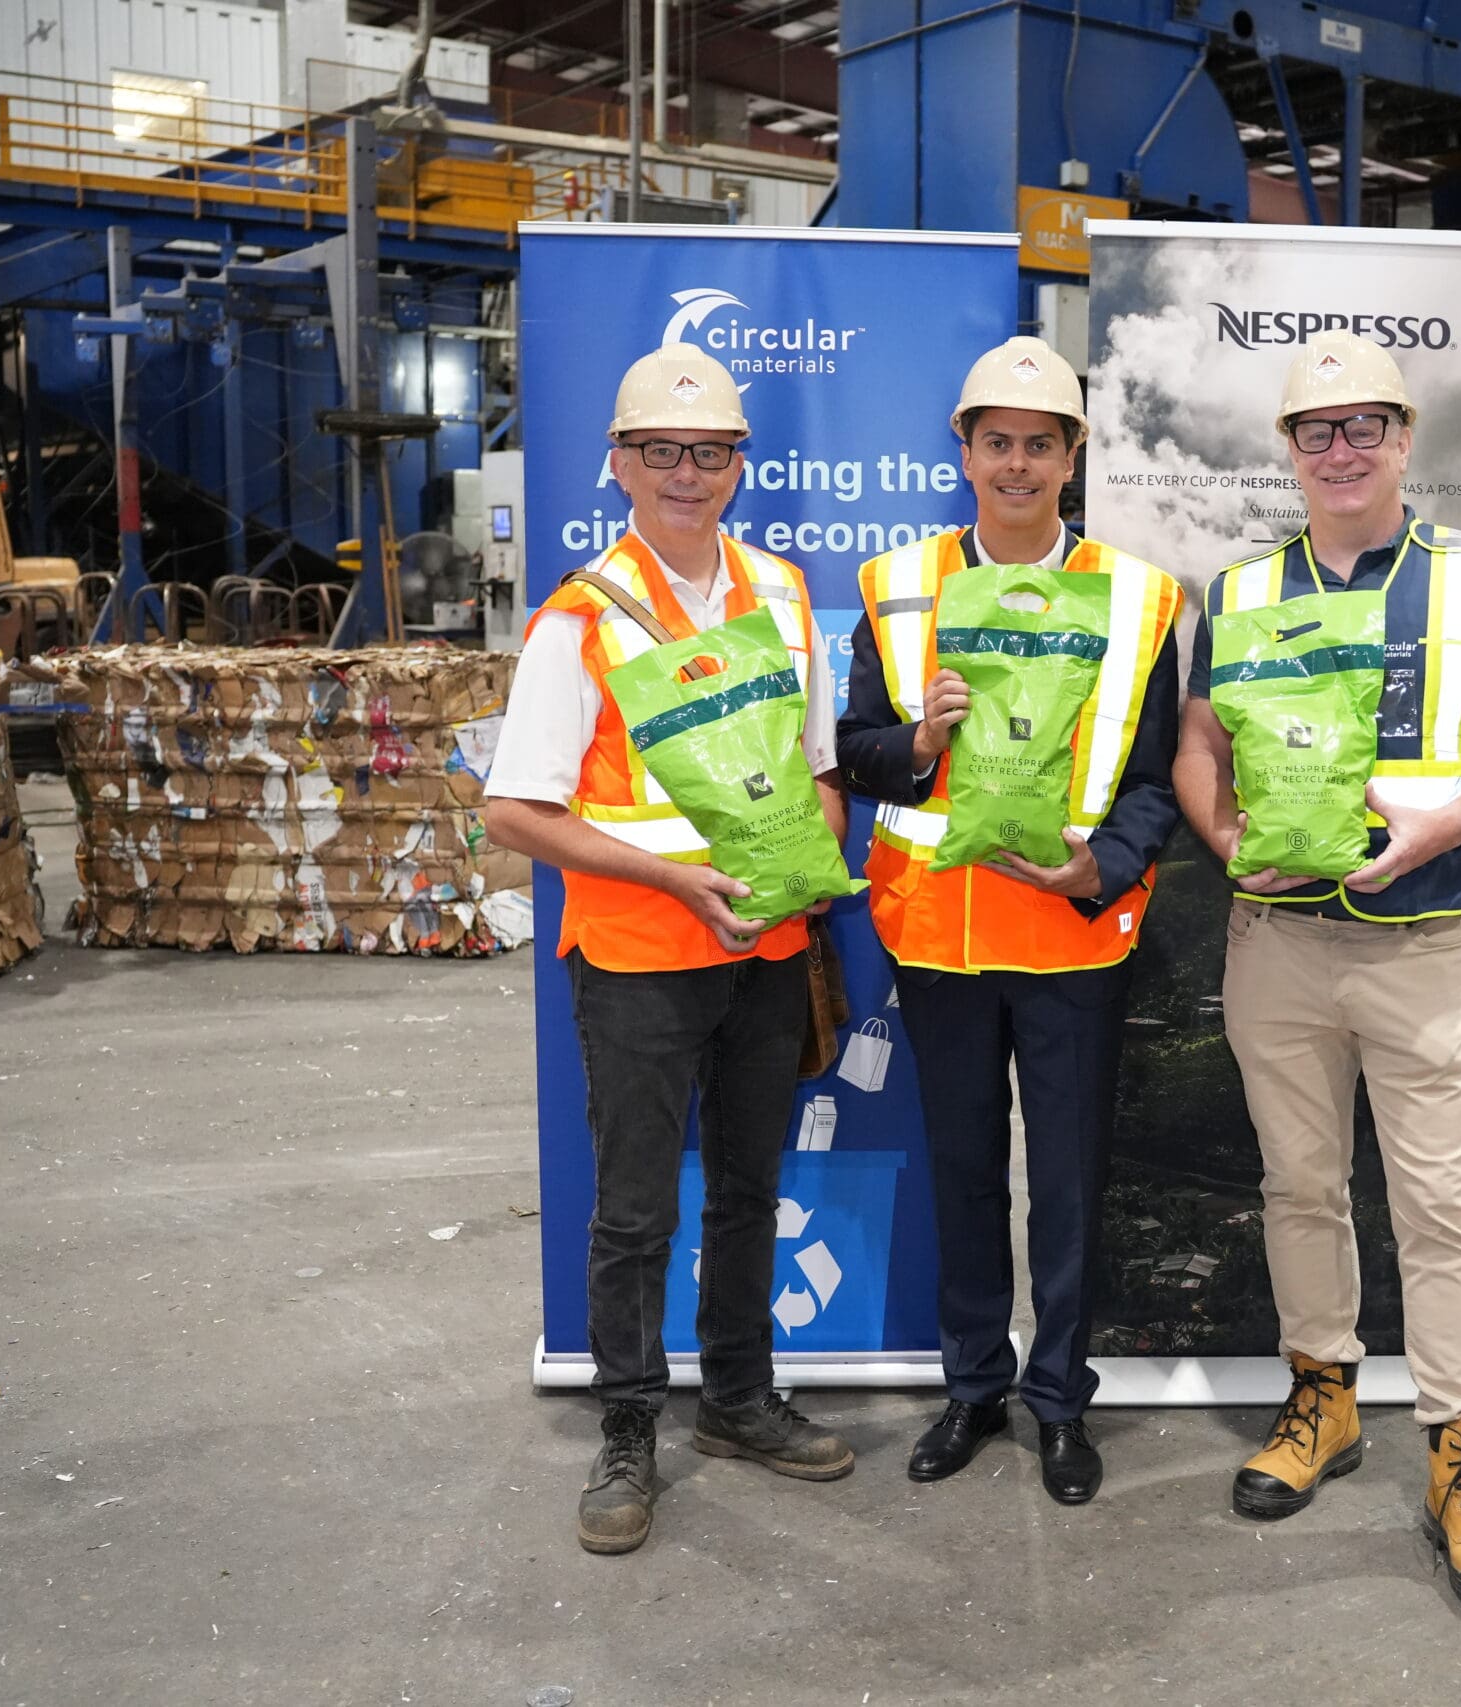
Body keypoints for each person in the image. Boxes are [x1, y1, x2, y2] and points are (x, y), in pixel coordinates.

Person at [1170, 329, 1461, 1614]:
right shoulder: (1235, 594)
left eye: (1364, 427)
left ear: (1405, 440)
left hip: (1419, 947)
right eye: (1315, 429)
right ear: (1286, 450)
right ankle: (1323, 1402)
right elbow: (1197, 748)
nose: (1339, 449)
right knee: (1298, 1186)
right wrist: (1226, 837)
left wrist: (1442, 826)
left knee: (1442, 1206)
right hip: (1275, 945)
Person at [483, 342, 857, 1558]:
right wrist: (674, 879)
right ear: (621, 464)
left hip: (766, 952)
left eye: (709, 452)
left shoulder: (785, 595)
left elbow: (815, 771)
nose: (687, 473)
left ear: (739, 464)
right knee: (636, 1210)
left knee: (751, 1187)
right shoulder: (579, 621)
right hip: (640, 955)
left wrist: (807, 874)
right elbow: (516, 812)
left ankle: (738, 1403)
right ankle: (630, 1427)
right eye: (661, 452)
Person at [836, 336, 1184, 1505]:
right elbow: (857, 756)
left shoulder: (1136, 600)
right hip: (935, 935)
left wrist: (1105, 869)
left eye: (1041, 444)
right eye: (999, 443)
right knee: (962, 1171)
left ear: (1073, 455)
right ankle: (974, 1388)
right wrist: (919, 743)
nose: (1019, 464)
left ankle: (1058, 1403)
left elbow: (1149, 779)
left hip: (1075, 940)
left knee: (1072, 1184)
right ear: (965, 450)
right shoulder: (899, 588)